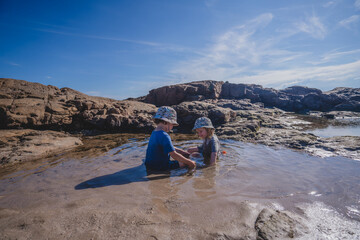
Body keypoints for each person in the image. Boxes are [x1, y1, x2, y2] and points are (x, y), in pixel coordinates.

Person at [145, 106, 196, 171]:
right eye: (172, 124)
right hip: (160, 167)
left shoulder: (154, 132)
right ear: (166, 122)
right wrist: (190, 162)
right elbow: (174, 155)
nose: (172, 127)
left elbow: (164, 146)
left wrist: (180, 151)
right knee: (184, 163)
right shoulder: (164, 135)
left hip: (149, 165)